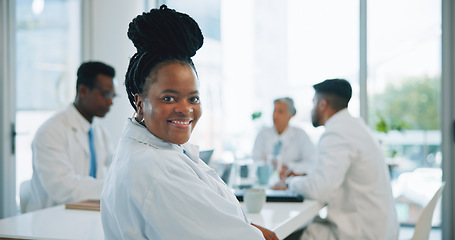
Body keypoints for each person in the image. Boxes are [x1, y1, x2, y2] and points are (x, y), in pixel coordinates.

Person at [100, 5, 277, 240]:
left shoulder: (157, 151)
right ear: (139, 103)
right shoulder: (158, 171)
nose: (185, 109)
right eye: (169, 98)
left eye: (193, 98)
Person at [282, 79, 399, 240]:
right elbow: (328, 176)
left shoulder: (337, 132)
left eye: (313, 103)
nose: (312, 109)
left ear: (323, 104)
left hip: (361, 234)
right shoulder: (354, 126)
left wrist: (289, 183)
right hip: (378, 228)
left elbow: (320, 190)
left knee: (283, 236)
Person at [26, 61, 116, 212]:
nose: (111, 102)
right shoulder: (51, 132)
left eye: (113, 95)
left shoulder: (100, 133)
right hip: (51, 222)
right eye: (105, 94)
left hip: (87, 215)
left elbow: (113, 170)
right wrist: (114, 186)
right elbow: (62, 188)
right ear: (83, 91)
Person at [252, 97, 316, 181]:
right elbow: (255, 161)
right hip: (266, 182)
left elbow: (312, 163)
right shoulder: (262, 135)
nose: (275, 115)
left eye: (280, 112)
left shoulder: (301, 135)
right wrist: (267, 164)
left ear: (290, 115)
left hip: (291, 183)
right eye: (274, 111)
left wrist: (288, 167)